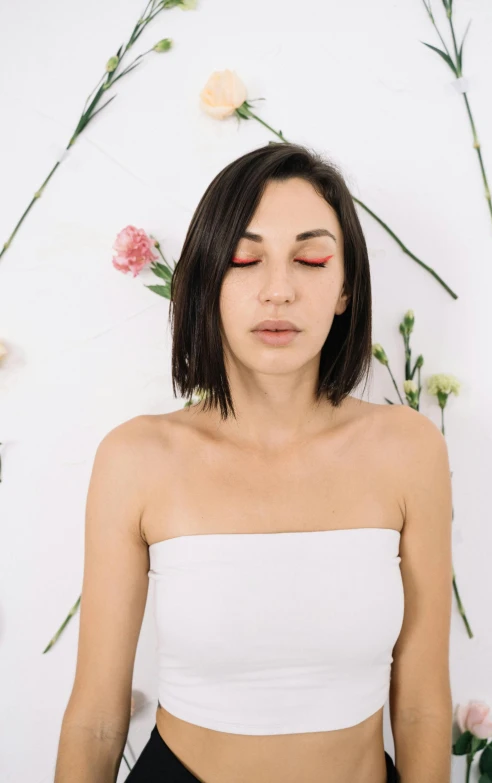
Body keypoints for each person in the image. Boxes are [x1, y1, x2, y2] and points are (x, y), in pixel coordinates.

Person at [54, 142, 454, 783]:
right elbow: (97, 718)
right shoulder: (136, 459)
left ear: (346, 287)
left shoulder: (409, 450)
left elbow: (425, 708)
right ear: (209, 279)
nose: (278, 291)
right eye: (246, 259)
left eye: (311, 259)